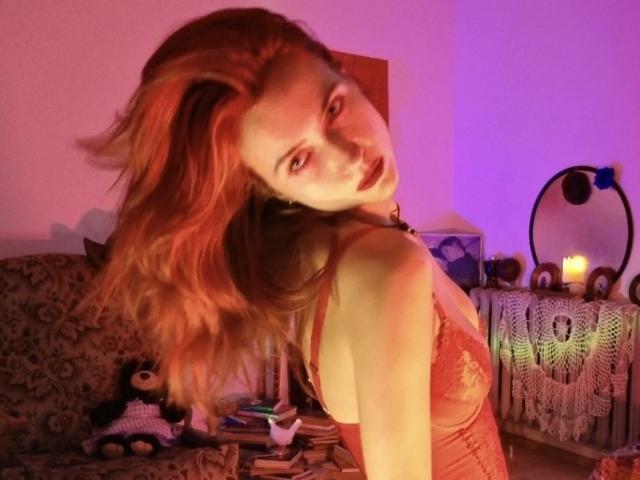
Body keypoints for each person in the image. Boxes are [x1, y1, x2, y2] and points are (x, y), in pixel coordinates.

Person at [82, 8, 507, 479]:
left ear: (346, 76)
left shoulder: (332, 250)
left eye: (333, 108)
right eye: (299, 160)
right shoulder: (386, 265)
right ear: (272, 189)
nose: (350, 155)